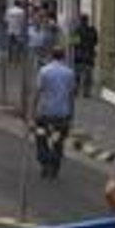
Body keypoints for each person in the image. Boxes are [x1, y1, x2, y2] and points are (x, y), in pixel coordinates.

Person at [34, 47, 78, 179]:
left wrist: (33, 111)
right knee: (58, 141)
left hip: (44, 114)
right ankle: (54, 167)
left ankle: (44, 162)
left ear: (51, 56)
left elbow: (38, 92)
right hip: (61, 115)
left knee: (41, 138)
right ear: (64, 56)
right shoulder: (69, 73)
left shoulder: (44, 71)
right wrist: (71, 114)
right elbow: (71, 96)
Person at [72, 14, 99, 98]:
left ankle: (76, 90)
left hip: (79, 56)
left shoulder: (76, 30)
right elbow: (96, 41)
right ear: (87, 21)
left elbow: (74, 43)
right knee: (88, 76)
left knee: (78, 75)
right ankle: (86, 92)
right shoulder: (92, 30)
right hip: (89, 56)